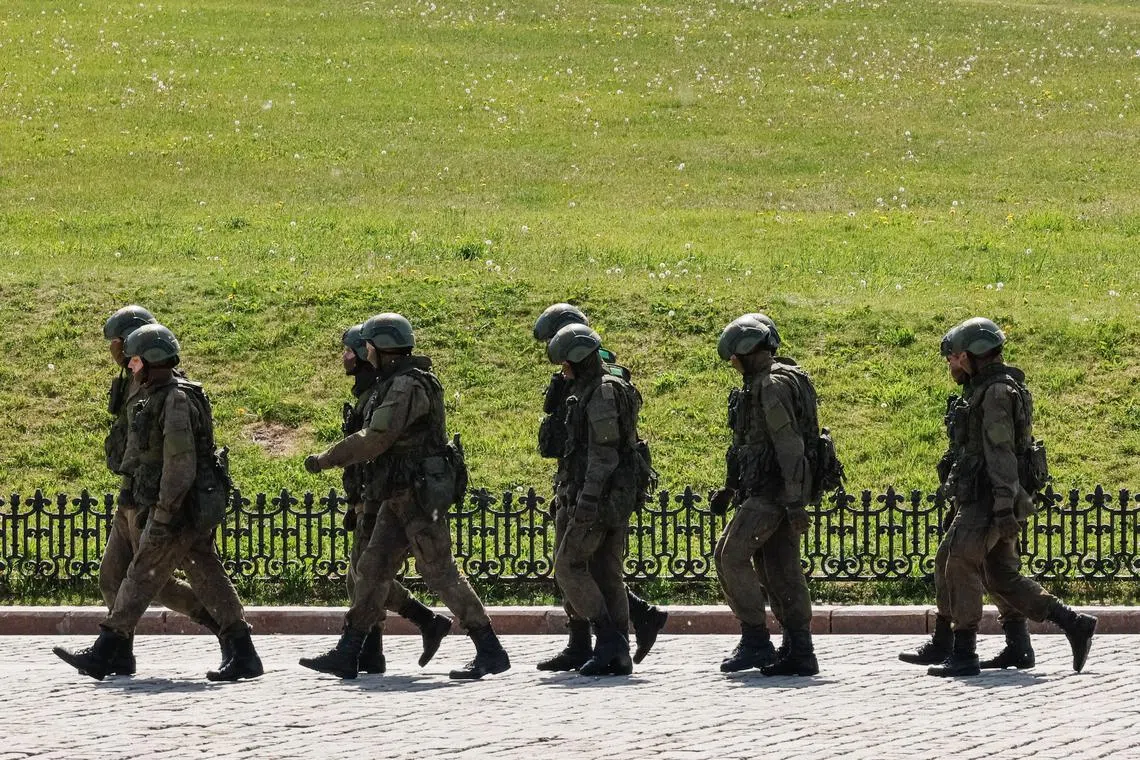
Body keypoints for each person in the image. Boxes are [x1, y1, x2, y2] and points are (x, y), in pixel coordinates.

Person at [298, 313, 509, 680]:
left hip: (418, 497)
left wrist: (326, 459)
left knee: (440, 572)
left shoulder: (407, 386)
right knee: (372, 568)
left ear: (383, 348)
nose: (365, 353)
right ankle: (349, 650)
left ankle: (490, 648)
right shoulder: (394, 382)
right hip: (397, 495)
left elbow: (376, 438)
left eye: (369, 347)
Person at [54, 324, 263, 681]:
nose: (130, 366)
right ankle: (242, 652)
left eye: (135, 361)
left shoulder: (175, 399)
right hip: (164, 504)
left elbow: (180, 464)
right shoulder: (157, 394)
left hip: (175, 509)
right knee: (204, 573)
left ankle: (109, 648)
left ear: (151, 361)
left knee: (142, 575)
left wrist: (165, 513)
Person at [925, 317, 1097, 677]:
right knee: (1000, 573)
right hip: (989, 494)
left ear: (970, 356)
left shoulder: (996, 393)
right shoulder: (988, 388)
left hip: (989, 498)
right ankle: (1045, 634)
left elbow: (1001, 452)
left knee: (958, 561)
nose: (951, 364)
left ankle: (963, 651)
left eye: (954, 357)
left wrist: (1003, 506)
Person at [532, 303, 667, 670]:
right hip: (583, 486)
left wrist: (588, 499)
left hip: (599, 493)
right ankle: (602, 648)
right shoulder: (584, 385)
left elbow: (604, 453)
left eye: (563, 360)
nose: (560, 367)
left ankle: (610, 640)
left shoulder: (603, 389)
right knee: (604, 571)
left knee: (570, 566)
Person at [94, 306, 225, 677]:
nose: (113, 349)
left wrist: (165, 504)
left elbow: (177, 454)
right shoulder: (133, 379)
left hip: (155, 500)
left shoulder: (167, 386)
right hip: (132, 491)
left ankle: (225, 626)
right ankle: (120, 651)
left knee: (151, 580)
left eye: (117, 342)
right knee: (113, 576)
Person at [337, 323, 452, 674]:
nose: (344, 357)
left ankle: (420, 623)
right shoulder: (369, 389)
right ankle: (374, 650)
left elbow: (375, 442)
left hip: (380, 491)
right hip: (368, 489)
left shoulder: (385, 389)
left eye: (350, 351)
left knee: (366, 574)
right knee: (363, 574)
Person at [710, 315, 818, 676]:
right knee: (780, 569)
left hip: (773, 492)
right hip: (773, 490)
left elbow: (789, 444)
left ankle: (756, 639)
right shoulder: (769, 380)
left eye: (734, 356)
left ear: (746, 351)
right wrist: (730, 488)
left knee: (729, 555)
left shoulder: (771, 385)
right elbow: (745, 444)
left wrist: (794, 502)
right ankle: (799, 650)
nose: (732, 362)